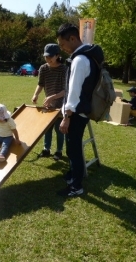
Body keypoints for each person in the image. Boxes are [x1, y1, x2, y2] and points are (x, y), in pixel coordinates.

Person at [56, 23, 100, 197]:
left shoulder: (80, 60)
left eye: (62, 44)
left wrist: (67, 116)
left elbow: (74, 91)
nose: (62, 48)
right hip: (82, 110)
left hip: (76, 113)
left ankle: (76, 186)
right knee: (72, 148)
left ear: (72, 38)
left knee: (73, 150)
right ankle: (73, 175)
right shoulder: (88, 56)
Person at [31, 43, 66, 161]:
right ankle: (46, 149)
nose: (48, 59)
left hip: (61, 105)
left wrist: (53, 97)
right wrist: (36, 94)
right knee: (47, 128)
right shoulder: (43, 68)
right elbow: (40, 84)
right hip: (49, 104)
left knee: (59, 129)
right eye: (46, 56)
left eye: (50, 56)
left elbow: (66, 90)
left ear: (57, 56)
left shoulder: (64, 69)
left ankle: (59, 151)